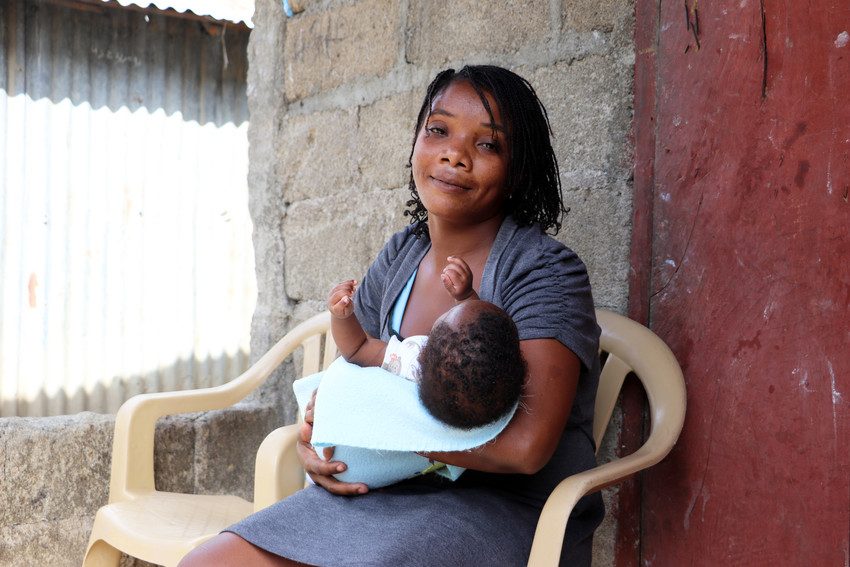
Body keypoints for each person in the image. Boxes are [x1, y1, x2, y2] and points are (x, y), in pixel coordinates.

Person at [179, 64, 604, 567]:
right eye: (438, 130)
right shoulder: (403, 255)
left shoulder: (542, 272)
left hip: (503, 510)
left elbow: (526, 448)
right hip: (382, 491)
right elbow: (364, 370)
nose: (454, 155)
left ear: (518, 171)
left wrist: (384, 435)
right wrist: (322, 436)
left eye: (487, 145)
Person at [327, 254, 525, 431]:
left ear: (424, 350)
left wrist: (342, 317)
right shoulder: (481, 398)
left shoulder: (410, 361)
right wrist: (465, 296)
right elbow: (472, 334)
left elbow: (358, 348)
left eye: (446, 317)